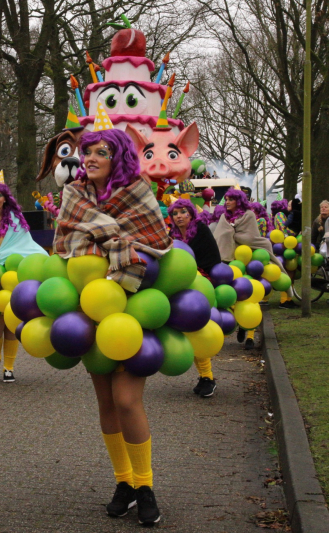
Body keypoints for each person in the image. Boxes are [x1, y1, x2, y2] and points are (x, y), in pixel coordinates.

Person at [54, 125, 171, 526]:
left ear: (117, 156)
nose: (88, 158)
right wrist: (115, 243)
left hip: (135, 307)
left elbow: (155, 239)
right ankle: (123, 481)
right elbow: (67, 242)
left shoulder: (139, 191)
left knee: (126, 400)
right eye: (86, 151)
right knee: (105, 401)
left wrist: (107, 240)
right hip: (91, 310)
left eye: (99, 152)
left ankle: (145, 485)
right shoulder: (74, 194)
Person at [0, 173, 47, 383]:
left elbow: (27, 248)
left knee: (12, 325)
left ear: (5, 199)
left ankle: (9, 367)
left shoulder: (17, 223)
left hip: (12, 279)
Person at [214, 189, 287, 348]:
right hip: (231, 263)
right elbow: (219, 238)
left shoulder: (249, 215)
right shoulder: (223, 218)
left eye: (230, 199)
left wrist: (234, 232)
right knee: (232, 297)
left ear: (238, 201)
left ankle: (250, 334)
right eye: (226, 199)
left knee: (250, 296)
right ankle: (240, 325)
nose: (227, 202)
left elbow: (251, 237)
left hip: (249, 262)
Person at [169, 199, 221, 398]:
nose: (179, 216)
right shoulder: (172, 235)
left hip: (201, 285)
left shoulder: (201, 230)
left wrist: (197, 273)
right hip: (180, 285)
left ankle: (207, 377)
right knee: (186, 330)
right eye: (175, 213)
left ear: (191, 213)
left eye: (183, 212)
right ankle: (204, 376)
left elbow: (212, 259)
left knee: (197, 329)